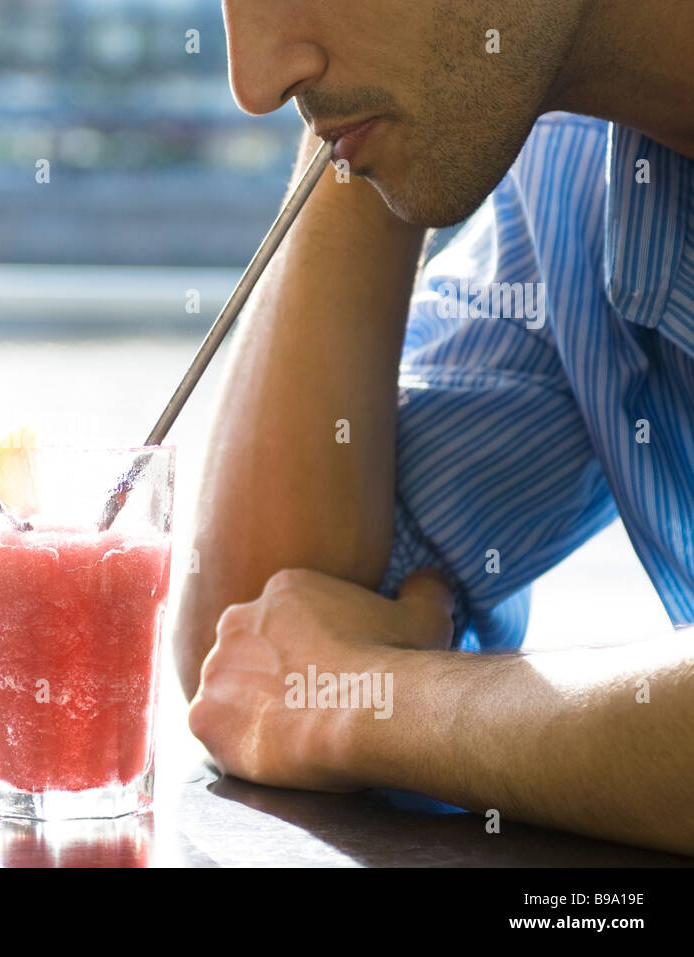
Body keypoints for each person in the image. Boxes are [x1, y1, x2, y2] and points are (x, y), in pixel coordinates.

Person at [177, 0, 694, 855]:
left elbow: (314, 685)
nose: (256, 84)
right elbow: (258, 644)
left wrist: (376, 698)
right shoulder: (570, 175)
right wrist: (364, 117)